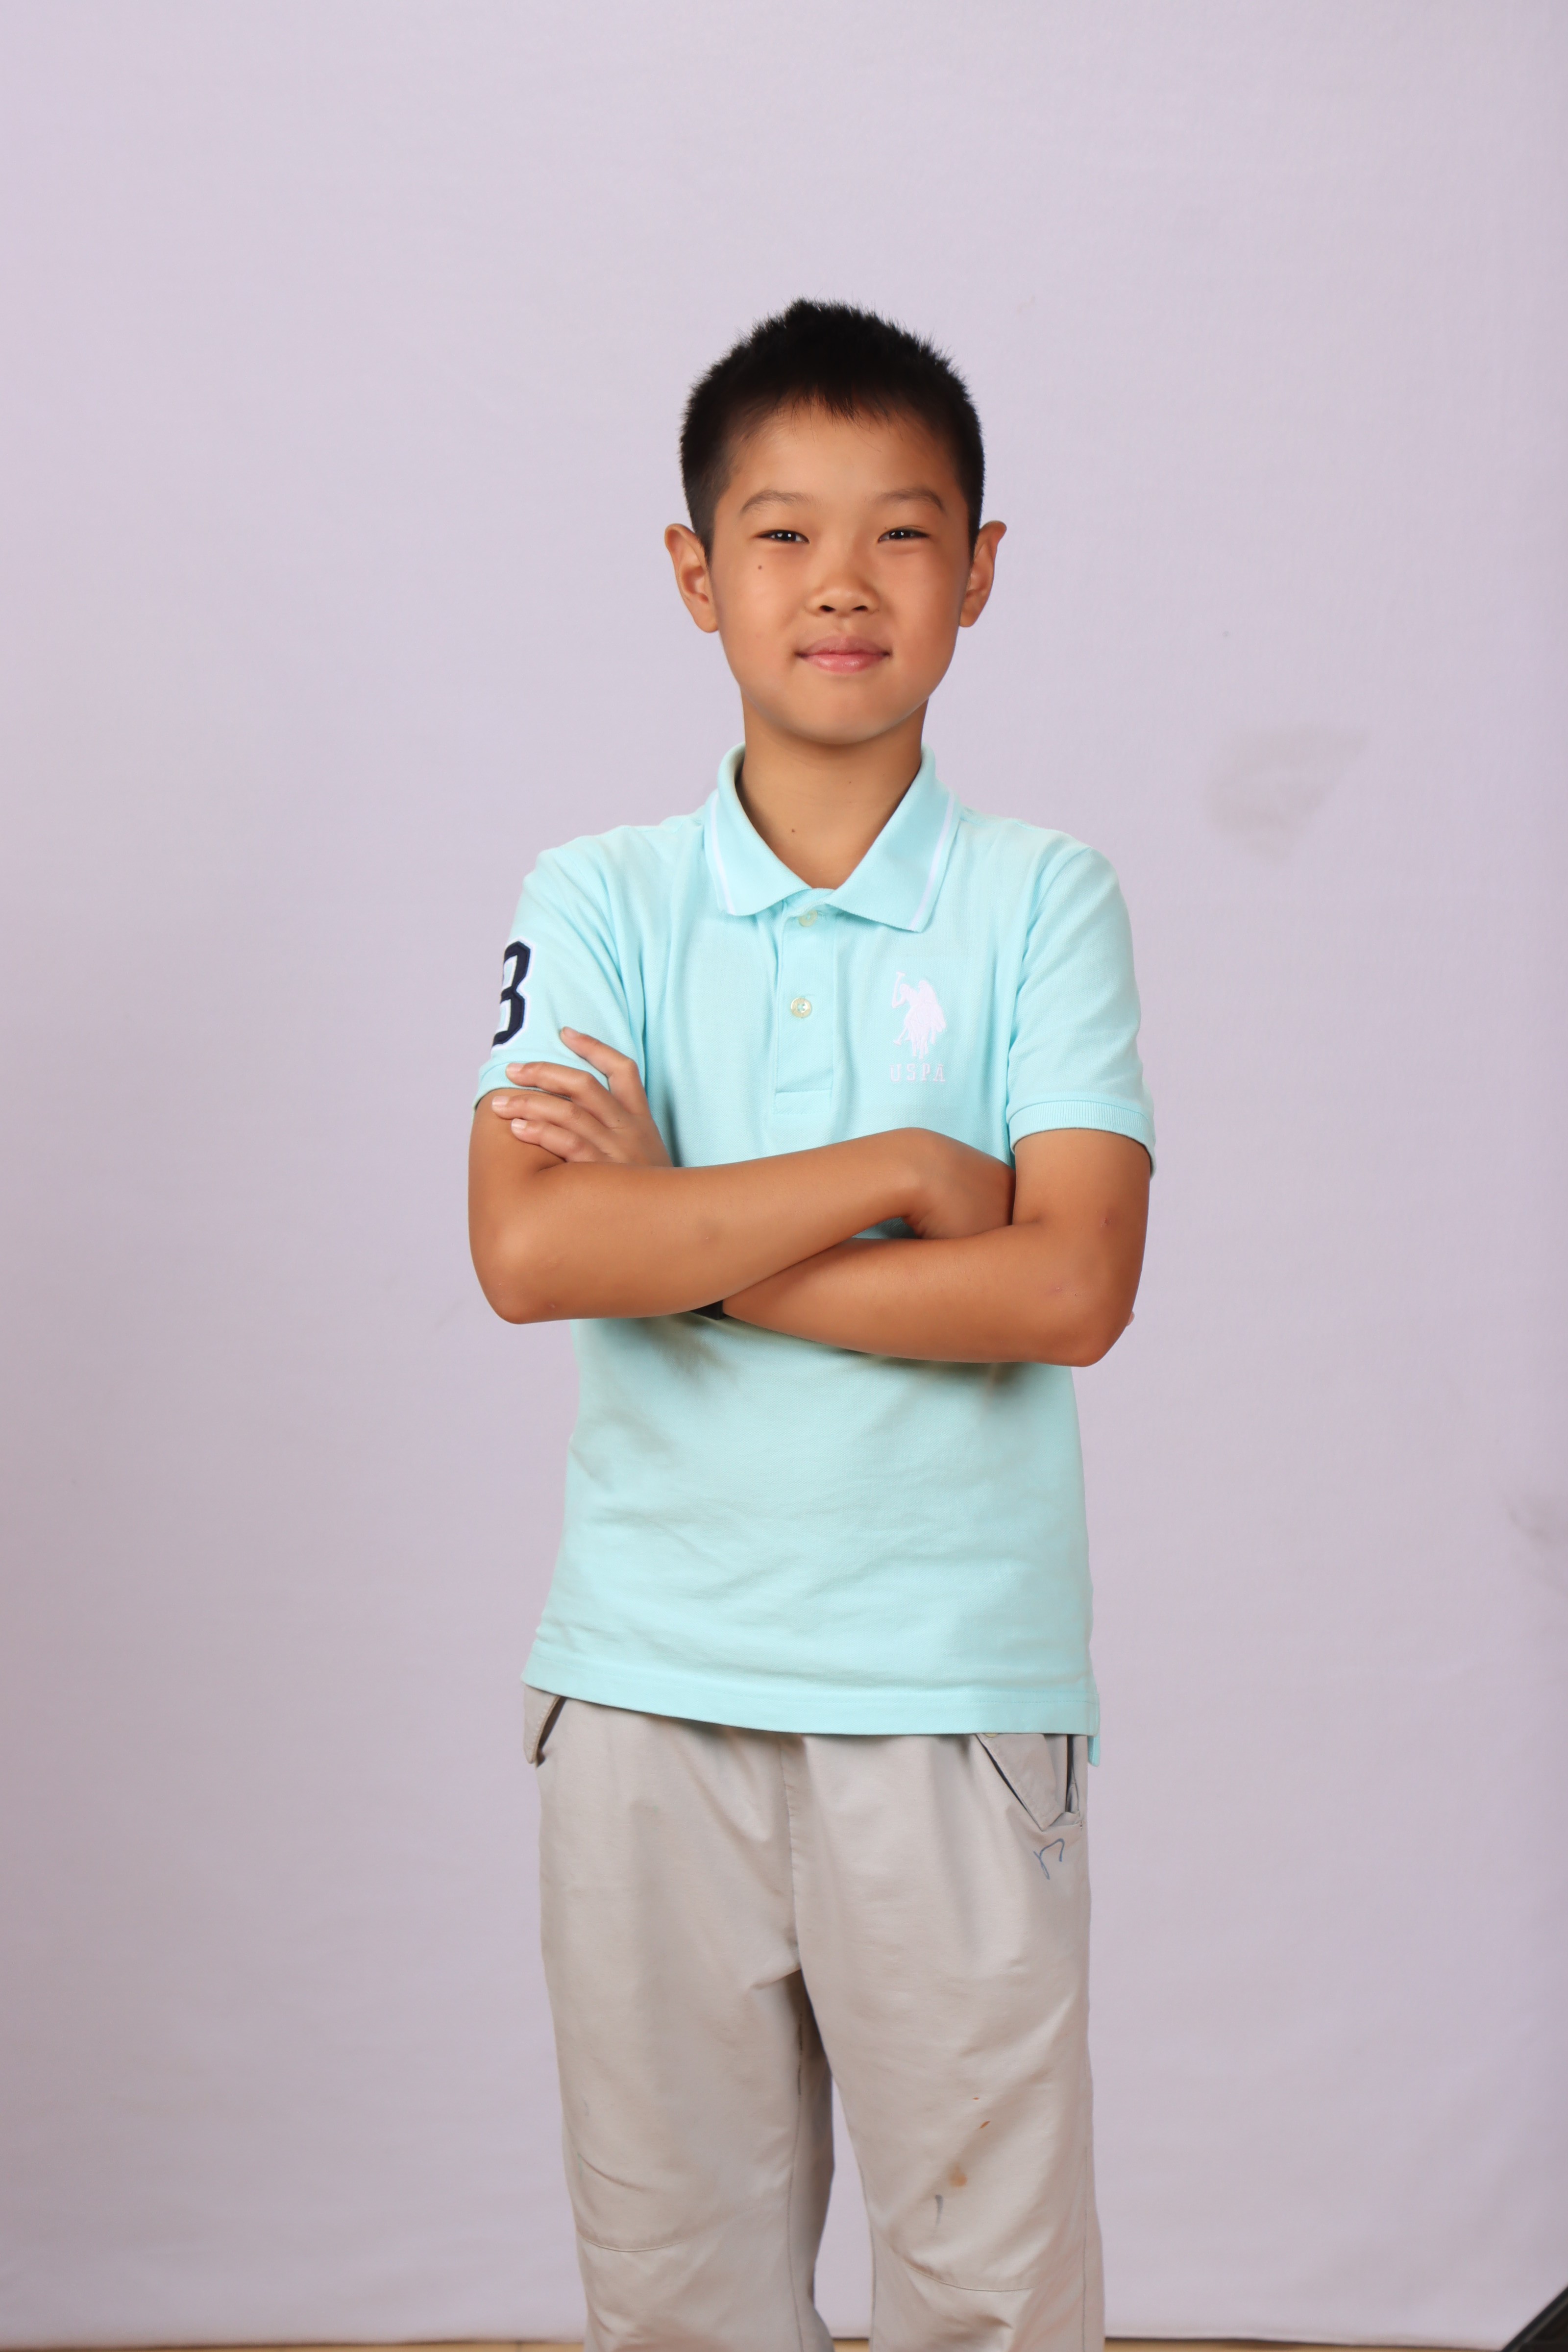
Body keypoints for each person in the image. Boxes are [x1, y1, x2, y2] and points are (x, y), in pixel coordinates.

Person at [468, 299, 1154, 2352]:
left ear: (980, 569)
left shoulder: (1042, 898)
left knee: (990, 2298)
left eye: (900, 533)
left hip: (948, 1696)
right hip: (642, 1688)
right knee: (674, 2299)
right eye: (781, 534)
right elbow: (530, 1250)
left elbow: (1068, 1284)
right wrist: (902, 1167)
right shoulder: (596, 896)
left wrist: (686, 1238)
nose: (840, 584)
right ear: (697, 574)